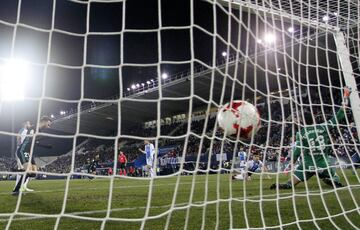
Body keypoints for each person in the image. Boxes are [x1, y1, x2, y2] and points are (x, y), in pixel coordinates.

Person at [270, 87, 351, 190]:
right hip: (323, 164)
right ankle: (332, 180)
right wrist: (346, 96)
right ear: (313, 118)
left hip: (307, 166)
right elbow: (340, 114)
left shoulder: (302, 133)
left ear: (302, 121)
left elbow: (297, 151)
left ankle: (287, 184)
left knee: (290, 183)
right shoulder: (323, 126)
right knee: (335, 177)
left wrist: (289, 167)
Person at [12, 116, 52, 195]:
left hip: (29, 153)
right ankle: (16, 190)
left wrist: (45, 146)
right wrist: (43, 137)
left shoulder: (39, 130)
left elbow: (35, 142)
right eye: (49, 123)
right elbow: (31, 138)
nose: (49, 125)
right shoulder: (34, 127)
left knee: (34, 173)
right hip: (23, 150)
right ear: (45, 121)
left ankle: (17, 171)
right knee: (29, 171)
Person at [13, 121, 33, 192]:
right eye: (28, 123)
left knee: (28, 169)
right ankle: (16, 187)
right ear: (25, 124)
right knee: (21, 169)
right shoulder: (22, 129)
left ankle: (24, 186)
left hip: (25, 152)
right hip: (21, 151)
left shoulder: (28, 131)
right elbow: (18, 137)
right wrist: (19, 147)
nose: (30, 125)